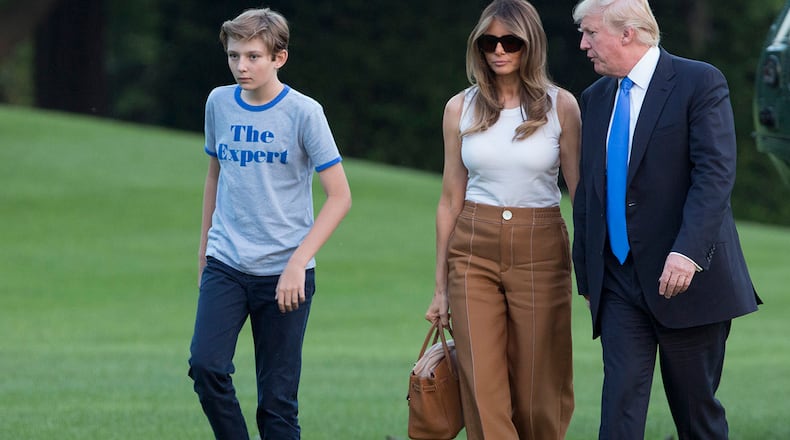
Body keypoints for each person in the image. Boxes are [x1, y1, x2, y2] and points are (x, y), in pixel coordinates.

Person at [571, 0, 762, 438]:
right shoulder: (595, 98)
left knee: (696, 415)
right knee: (618, 411)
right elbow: (590, 195)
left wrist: (686, 252)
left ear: (626, 33)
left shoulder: (699, 81)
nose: (583, 44)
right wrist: (588, 274)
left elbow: (714, 176)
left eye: (590, 33)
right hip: (619, 283)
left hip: (685, 280)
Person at [187, 8, 351, 440]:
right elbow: (214, 175)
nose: (242, 66)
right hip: (227, 263)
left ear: (279, 58)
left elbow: (340, 196)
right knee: (205, 366)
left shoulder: (304, 113)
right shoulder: (218, 103)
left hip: (286, 271)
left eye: (253, 56)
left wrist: (299, 263)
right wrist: (205, 249)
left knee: (277, 405)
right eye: (234, 55)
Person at [424, 0, 580, 438]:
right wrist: (439, 287)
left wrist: (590, 267)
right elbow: (450, 198)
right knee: (482, 384)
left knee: (537, 388)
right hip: (473, 246)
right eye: (488, 41)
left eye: (510, 41)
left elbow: (580, 193)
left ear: (530, 46)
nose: (498, 50)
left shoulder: (561, 106)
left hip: (542, 245)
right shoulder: (460, 107)